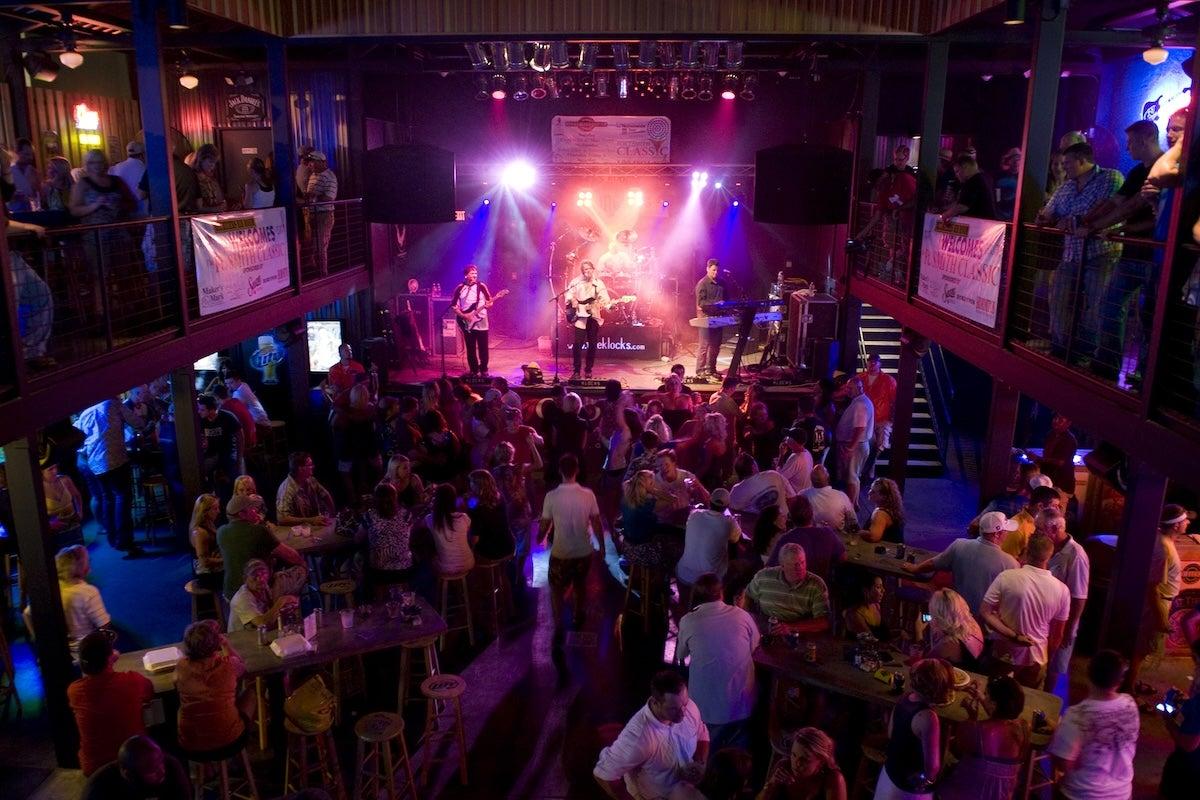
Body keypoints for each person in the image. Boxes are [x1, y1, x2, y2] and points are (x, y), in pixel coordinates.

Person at [1035, 141, 1124, 361]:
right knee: (1058, 297)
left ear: (1082, 161)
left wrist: (1071, 220)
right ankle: (1061, 349)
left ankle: (1087, 354)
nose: (1063, 167)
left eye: (1067, 163)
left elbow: (1104, 210)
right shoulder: (1066, 187)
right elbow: (1048, 212)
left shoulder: (1110, 177)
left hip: (1101, 253)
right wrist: (1044, 218)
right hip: (1071, 253)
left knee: (1097, 305)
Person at [593, 670, 710, 800]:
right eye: (673, 709)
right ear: (655, 703)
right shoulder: (638, 737)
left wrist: (700, 763)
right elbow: (604, 775)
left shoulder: (688, 707)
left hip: (686, 791)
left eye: (685, 703)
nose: (683, 713)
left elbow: (701, 733)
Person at [676, 573, 760, 751]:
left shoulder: (688, 620)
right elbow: (754, 645)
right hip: (741, 705)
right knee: (738, 754)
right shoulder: (742, 615)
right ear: (721, 593)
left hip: (706, 708)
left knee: (708, 752)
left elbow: (681, 654)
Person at [980, 532, 1070, 688]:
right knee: (1031, 699)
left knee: (997, 695)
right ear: (1050, 555)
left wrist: (1013, 636)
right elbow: (1057, 635)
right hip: (1037, 657)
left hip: (1004, 653)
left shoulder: (1006, 577)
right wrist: (1047, 658)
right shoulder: (1062, 590)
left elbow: (985, 612)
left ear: (1027, 551)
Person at [1048, 650, 1139, 800]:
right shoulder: (1130, 704)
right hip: (1122, 793)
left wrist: (1057, 735)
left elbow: (1063, 764)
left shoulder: (1078, 715)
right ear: (1119, 680)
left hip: (1082, 794)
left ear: (1088, 675)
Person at [68, 631, 154, 776]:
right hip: (133, 763)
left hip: (96, 770)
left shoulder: (74, 691)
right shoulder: (132, 680)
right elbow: (149, 691)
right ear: (111, 657)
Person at [903, 510, 1019, 615]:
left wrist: (915, 568)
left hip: (956, 614)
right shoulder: (1011, 564)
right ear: (997, 534)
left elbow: (932, 564)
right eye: (1006, 531)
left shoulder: (959, 545)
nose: (1007, 534)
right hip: (984, 624)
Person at [539, 453, 603, 642]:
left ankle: (559, 623)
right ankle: (577, 615)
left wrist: (539, 537)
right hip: (583, 551)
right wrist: (602, 547)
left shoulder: (551, 496)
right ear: (577, 470)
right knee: (580, 584)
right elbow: (597, 522)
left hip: (561, 553)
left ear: (560, 471)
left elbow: (545, 523)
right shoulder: (588, 494)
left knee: (556, 589)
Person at [935, 676, 1029, 800]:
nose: (985, 696)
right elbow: (1001, 718)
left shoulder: (976, 730)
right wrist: (981, 697)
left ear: (994, 704)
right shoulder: (1024, 727)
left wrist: (971, 718)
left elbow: (957, 751)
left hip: (968, 793)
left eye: (986, 695)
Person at [1132, 503, 1190, 691]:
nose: (1188, 523)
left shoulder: (1162, 540)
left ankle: (1130, 681)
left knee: (1142, 648)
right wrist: (1161, 618)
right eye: (1185, 520)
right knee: (1141, 650)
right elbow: (1153, 587)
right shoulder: (1164, 549)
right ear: (1176, 525)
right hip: (1158, 603)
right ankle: (1128, 688)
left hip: (1159, 602)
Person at [875, 658, 953, 799]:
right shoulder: (928, 717)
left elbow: (890, 734)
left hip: (889, 775)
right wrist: (929, 781)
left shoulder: (905, 698)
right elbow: (932, 766)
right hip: (909, 788)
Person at [175, 619, 254, 754]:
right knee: (250, 693)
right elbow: (241, 666)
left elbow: (175, 683)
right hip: (230, 743)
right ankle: (247, 739)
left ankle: (205, 764)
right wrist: (226, 645)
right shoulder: (228, 665)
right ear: (216, 643)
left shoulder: (181, 667)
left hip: (190, 747)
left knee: (182, 708)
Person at [77, 397, 140, 555]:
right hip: (116, 459)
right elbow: (136, 422)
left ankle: (113, 539)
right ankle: (124, 541)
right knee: (122, 497)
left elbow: (78, 439)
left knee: (107, 498)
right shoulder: (113, 403)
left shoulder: (85, 413)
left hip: (96, 464)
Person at [216, 492, 305, 600]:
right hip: (255, 594)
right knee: (301, 568)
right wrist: (302, 562)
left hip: (229, 594)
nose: (255, 511)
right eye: (251, 508)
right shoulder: (259, 530)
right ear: (242, 514)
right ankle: (283, 606)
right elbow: (292, 556)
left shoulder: (220, 532)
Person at [1042, 507, 1090, 691]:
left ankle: (1048, 700)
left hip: (1061, 622)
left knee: (1055, 667)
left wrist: (1069, 629)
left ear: (1054, 529)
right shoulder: (1047, 547)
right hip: (1044, 619)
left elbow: (1079, 597)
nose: (1036, 532)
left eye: (1039, 529)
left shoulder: (1076, 555)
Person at [743, 543, 831, 634]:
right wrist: (746, 617)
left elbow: (824, 622)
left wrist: (791, 627)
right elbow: (747, 595)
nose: (800, 567)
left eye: (802, 562)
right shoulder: (764, 577)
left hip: (796, 633)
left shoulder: (815, 584)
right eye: (795, 564)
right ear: (782, 566)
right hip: (763, 627)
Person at [83, 735, 191, 800]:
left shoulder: (170, 765)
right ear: (128, 774)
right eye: (152, 771)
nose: (162, 771)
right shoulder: (97, 788)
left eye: (161, 762)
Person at [52, 545, 112, 661]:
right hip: (88, 652)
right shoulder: (88, 592)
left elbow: (27, 613)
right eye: (88, 560)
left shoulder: (53, 590)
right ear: (81, 566)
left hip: (61, 654)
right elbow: (104, 626)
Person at [357, 481, 414, 597]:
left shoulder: (369, 517)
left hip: (379, 570)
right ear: (395, 498)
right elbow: (408, 535)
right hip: (403, 568)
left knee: (361, 560)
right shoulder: (406, 515)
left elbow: (357, 539)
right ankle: (405, 601)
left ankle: (375, 601)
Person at [676, 489, 743, 587]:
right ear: (727, 506)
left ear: (710, 501)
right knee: (738, 558)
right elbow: (735, 540)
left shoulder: (694, 514)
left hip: (684, 574)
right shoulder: (729, 523)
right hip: (709, 582)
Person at [758, 727, 847, 800]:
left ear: (821, 761)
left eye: (805, 759)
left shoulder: (833, 779)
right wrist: (770, 785)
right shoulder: (784, 767)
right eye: (793, 754)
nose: (796, 763)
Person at [1159, 640, 1200, 798]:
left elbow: (1189, 744)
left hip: (1190, 769)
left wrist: (1168, 720)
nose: (1194, 669)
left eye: (1197, 663)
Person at [566, 260, 612, 380]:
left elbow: (604, 298)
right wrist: (573, 300)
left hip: (593, 315)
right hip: (580, 316)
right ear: (582, 271)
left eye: (589, 269)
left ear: (593, 269)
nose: (587, 271)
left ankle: (588, 369)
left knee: (592, 344)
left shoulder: (598, 283)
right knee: (577, 344)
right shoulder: (576, 282)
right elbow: (569, 293)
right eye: (585, 269)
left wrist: (609, 306)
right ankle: (576, 371)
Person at [227, 558, 300, 632]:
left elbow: (271, 610)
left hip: (258, 632)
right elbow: (261, 623)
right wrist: (281, 601)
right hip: (242, 637)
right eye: (255, 576)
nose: (260, 579)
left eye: (263, 573)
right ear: (245, 579)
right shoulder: (242, 599)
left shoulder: (263, 588)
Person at [855, 354, 896, 480]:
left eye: (875, 362)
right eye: (870, 362)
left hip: (882, 419)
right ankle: (868, 474)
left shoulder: (888, 380)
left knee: (880, 444)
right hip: (866, 420)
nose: (872, 364)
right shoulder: (860, 378)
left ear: (879, 364)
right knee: (867, 446)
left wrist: (892, 418)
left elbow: (895, 400)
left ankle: (867, 470)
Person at [450, 264, 495, 377]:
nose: (475, 275)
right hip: (467, 322)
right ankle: (474, 370)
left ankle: (484, 369)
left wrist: (489, 304)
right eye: (472, 273)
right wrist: (464, 316)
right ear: (466, 275)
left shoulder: (481, 286)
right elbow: (454, 306)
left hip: (481, 320)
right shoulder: (460, 288)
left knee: (483, 347)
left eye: (476, 273)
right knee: (470, 348)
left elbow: (490, 301)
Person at [835, 377, 874, 506]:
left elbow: (860, 428)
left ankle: (850, 507)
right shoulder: (860, 401)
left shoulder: (860, 404)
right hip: (858, 445)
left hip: (856, 446)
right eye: (847, 388)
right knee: (854, 475)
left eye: (850, 388)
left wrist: (851, 448)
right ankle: (855, 504)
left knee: (851, 477)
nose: (847, 391)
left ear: (859, 388)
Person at [926, 588, 985, 668]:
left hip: (964, 674)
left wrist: (918, 630)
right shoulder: (972, 623)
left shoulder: (948, 643)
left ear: (938, 615)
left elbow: (923, 666)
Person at [196, 394, 242, 496]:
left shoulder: (227, 417)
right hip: (211, 453)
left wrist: (239, 457)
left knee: (234, 476)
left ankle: (235, 498)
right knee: (199, 471)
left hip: (228, 451)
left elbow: (240, 436)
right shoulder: (201, 420)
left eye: (202, 410)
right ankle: (210, 497)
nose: (199, 412)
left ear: (212, 410)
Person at [426, 482, 475, 576]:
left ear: (436, 500)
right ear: (454, 499)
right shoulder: (464, 517)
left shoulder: (430, 519)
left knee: (427, 557)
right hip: (468, 563)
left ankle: (438, 584)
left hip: (446, 567)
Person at [729, 452, 795, 521]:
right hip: (784, 522)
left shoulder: (736, 491)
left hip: (759, 526)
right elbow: (792, 498)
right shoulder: (774, 474)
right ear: (753, 467)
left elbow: (732, 515)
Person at [275, 451, 335, 527]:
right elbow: (282, 519)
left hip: (311, 527)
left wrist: (332, 515)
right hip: (296, 530)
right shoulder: (286, 490)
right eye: (310, 465)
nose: (313, 466)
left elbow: (325, 495)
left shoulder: (311, 480)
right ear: (301, 468)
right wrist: (310, 520)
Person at [466, 469, 515, 560]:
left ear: (478, 485)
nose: (469, 485)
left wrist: (469, 552)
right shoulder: (500, 497)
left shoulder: (477, 507)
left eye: (471, 482)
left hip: (491, 551)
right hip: (508, 544)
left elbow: (475, 538)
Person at [305, 151, 338, 274]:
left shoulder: (330, 176)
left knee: (320, 245)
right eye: (310, 162)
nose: (310, 164)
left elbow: (330, 197)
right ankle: (314, 269)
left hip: (324, 215)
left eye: (312, 162)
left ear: (321, 162)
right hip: (312, 214)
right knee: (312, 243)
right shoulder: (312, 175)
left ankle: (323, 273)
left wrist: (312, 197)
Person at [940, 153, 998, 221]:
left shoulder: (972, 181)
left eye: (957, 171)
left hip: (979, 223)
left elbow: (962, 206)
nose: (956, 175)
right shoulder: (986, 178)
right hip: (990, 222)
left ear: (965, 167)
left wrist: (945, 215)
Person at [800, 465, 856, 532]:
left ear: (811, 480)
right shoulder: (842, 496)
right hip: (836, 535)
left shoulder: (802, 495)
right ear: (828, 478)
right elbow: (853, 520)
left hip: (809, 534)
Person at [694, 258, 726, 379]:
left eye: (717, 270)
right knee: (704, 345)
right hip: (705, 319)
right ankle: (700, 370)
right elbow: (701, 303)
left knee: (716, 345)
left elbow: (726, 299)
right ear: (707, 269)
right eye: (713, 270)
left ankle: (711, 369)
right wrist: (716, 304)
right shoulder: (702, 283)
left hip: (718, 318)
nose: (715, 273)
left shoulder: (722, 283)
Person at [188, 493, 224, 592]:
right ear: (205, 511)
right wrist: (225, 559)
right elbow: (204, 562)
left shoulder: (209, 523)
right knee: (237, 572)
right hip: (206, 575)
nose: (219, 511)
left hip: (214, 568)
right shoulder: (200, 532)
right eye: (215, 509)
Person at [1039, 413, 1078, 497]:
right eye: (1055, 418)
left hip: (1062, 482)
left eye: (1060, 420)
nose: (1056, 421)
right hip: (1048, 479)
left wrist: (1040, 459)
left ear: (1068, 423)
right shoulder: (1050, 435)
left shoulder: (1070, 440)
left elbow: (1061, 462)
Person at [844, 574, 890, 640]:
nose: (883, 590)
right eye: (878, 587)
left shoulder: (876, 606)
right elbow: (871, 639)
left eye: (882, 586)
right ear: (866, 591)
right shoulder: (856, 613)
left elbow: (880, 633)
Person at [42, 457, 82, 531]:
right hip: (56, 529)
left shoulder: (64, 479)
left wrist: (79, 512)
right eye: (50, 469)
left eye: (56, 467)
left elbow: (77, 495)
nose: (55, 471)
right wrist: (50, 524)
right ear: (42, 472)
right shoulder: (39, 488)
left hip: (74, 523)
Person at [108, 141, 148, 216]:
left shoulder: (115, 168)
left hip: (124, 213)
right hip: (143, 212)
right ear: (142, 154)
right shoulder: (145, 169)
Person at [212, 384, 256, 452]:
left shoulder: (224, 409)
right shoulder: (236, 401)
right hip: (252, 439)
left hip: (244, 444)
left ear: (216, 397)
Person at [860, 477, 904, 544]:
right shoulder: (893, 510)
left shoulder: (880, 513)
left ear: (884, 496)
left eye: (873, 492)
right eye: (870, 489)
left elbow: (873, 536)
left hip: (884, 550)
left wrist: (857, 532)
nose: (869, 492)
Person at [776, 426, 813, 493]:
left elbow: (778, 478)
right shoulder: (807, 453)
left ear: (794, 441)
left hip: (796, 496)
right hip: (805, 493)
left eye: (788, 436)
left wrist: (781, 455)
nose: (786, 438)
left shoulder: (796, 459)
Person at [192, 144, 226, 213]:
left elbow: (220, 200)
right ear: (201, 159)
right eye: (210, 161)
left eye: (215, 163)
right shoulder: (192, 178)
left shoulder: (212, 179)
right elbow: (195, 207)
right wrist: (216, 209)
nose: (213, 166)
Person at [995, 147, 1022, 221]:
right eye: (1014, 159)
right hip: (1002, 215)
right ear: (1009, 161)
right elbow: (997, 193)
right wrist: (999, 203)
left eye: (1018, 159)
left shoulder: (1023, 177)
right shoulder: (1001, 176)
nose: (1016, 162)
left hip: (1016, 215)